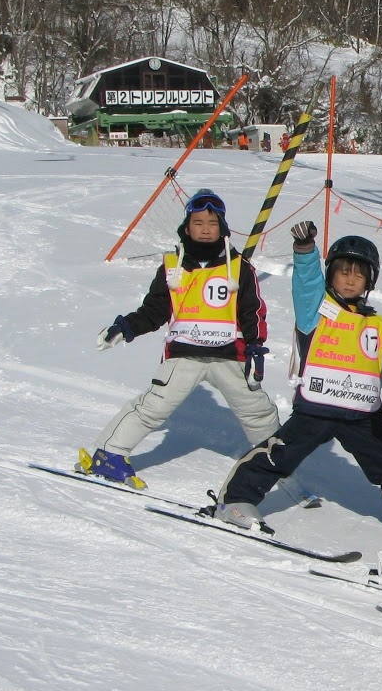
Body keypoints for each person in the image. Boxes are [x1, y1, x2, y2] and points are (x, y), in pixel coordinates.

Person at [213, 223, 382, 531]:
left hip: (362, 413)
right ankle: (236, 500)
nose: (350, 279)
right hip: (317, 408)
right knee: (281, 455)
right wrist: (306, 251)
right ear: (331, 275)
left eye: (358, 274)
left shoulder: (373, 323)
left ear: (369, 281)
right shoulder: (316, 311)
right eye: (343, 272)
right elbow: (308, 283)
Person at [81, 188, 279, 488]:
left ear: (223, 228)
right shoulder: (173, 266)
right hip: (183, 354)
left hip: (230, 355)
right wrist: (125, 327)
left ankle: (275, 462)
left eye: (212, 224)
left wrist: (255, 349)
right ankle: (109, 454)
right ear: (187, 227)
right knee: (153, 407)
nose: (205, 230)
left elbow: (253, 312)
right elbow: (155, 309)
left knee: (256, 409)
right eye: (198, 223)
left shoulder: (239, 268)